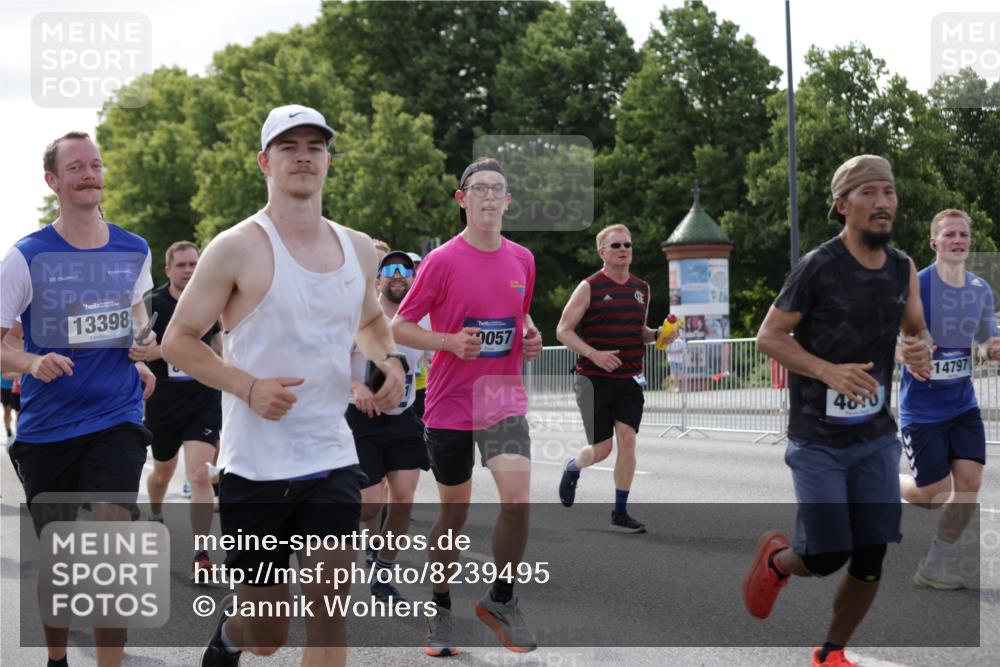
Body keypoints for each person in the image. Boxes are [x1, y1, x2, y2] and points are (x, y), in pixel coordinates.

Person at [161, 104, 405, 667]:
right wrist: (247, 388)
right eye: (289, 147)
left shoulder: (358, 247)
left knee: (329, 613)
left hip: (330, 455)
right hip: (255, 468)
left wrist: (388, 361)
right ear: (264, 162)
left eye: (315, 147)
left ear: (329, 160)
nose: (303, 157)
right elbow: (179, 341)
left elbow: (369, 321)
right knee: (268, 635)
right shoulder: (236, 246)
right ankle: (231, 635)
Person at [750, 155, 933, 667]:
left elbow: (916, 329)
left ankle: (830, 653)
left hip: (875, 436)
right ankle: (777, 562)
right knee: (827, 554)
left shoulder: (902, 267)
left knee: (871, 554)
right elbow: (769, 336)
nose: (882, 203)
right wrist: (827, 370)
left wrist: (918, 348)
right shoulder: (819, 266)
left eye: (888, 193)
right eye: (869, 193)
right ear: (842, 204)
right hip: (818, 439)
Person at [0, 131, 157, 667]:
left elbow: (137, 314)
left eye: (95, 165)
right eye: (76, 168)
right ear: (54, 181)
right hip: (47, 429)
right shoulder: (26, 257)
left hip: (116, 416)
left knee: (112, 546)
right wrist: (29, 362)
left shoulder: (135, 248)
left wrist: (142, 346)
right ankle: (57, 659)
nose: (89, 174)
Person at [391, 157, 543, 656]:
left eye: (497, 189)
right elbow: (401, 326)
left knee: (517, 502)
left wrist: (530, 333)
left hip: (502, 398)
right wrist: (448, 342)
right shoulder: (441, 262)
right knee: (453, 514)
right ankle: (439, 607)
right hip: (451, 403)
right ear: (462, 199)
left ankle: (501, 598)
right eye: (478, 189)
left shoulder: (522, 258)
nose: (489, 197)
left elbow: (519, 317)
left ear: (508, 201)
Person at [897, 208, 1000, 589]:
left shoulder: (979, 290)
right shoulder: (916, 287)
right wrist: (905, 354)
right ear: (934, 242)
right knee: (933, 495)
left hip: (962, 404)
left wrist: (992, 349)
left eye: (963, 235)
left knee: (970, 483)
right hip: (922, 409)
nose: (958, 241)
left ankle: (934, 565)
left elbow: (985, 342)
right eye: (950, 235)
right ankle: (883, 483)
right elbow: (885, 337)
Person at [555, 224, 677, 532]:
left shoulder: (642, 288)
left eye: (627, 245)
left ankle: (620, 512)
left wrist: (660, 335)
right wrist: (595, 354)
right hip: (593, 379)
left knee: (628, 440)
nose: (624, 250)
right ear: (602, 253)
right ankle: (573, 467)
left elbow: (641, 332)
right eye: (616, 246)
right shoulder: (589, 286)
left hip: (629, 378)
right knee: (601, 450)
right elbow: (563, 331)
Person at [346, 249, 430, 603]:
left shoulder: (421, 320)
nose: (399, 274)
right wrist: (356, 386)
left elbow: (436, 358)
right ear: (377, 280)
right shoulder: (360, 317)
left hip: (404, 418)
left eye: (406, 269)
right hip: (362, 418)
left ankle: (382, 571)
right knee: (367, 508)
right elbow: (327, 360)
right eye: (390, 269)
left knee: (404, 500)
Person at [139, 240, 223, 579]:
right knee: (161, 471)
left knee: (201, 474)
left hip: (203, 398)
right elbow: (144, 352)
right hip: (163, 401)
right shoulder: (152, 303)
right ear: (168, 270)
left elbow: (218, 345)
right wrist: (178, 349)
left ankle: (201, 553)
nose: (189, 270)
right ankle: (156, 514)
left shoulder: (210, 299)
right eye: (182, 265)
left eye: (193, 264)